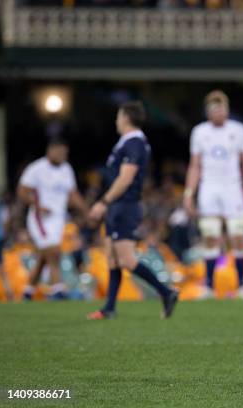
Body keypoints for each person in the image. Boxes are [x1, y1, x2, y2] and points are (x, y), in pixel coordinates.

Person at [87, 101, 178, 319]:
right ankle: (109, 308)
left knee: (127, 259)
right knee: (113, 259)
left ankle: (166, 292)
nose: (116, 121)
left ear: (126, 118)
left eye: (119, 116)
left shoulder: (134, 142)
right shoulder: (127, 142)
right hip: (119, 205)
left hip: (124, 204)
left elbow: (126, 178)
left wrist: (104, 202)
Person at [183, 90, 243, 299]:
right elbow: (195, 165)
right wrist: (189, 193)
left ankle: (241, 287)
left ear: (227, 109)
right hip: (210, 188)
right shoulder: (199, 132)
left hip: (232, 188)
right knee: (210, 236)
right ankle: (209, 287)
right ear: (208, 111)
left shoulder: (238, 130)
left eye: (222, 108)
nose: (219, 113)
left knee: (238, 235)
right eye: (215, 109)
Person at [18, 137, 87, 300]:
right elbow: (22, 191)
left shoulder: (66, 169)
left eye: (66, 153)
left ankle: (28, 292)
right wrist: (36, 205)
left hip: (58, 218)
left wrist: (86, 211)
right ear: (51, 151)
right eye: (61, 152)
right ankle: (58, 289)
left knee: (45, 256)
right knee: (54, 251)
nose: (64, 156)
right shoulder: (36, 168)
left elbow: (73, 194)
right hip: (40, 218)